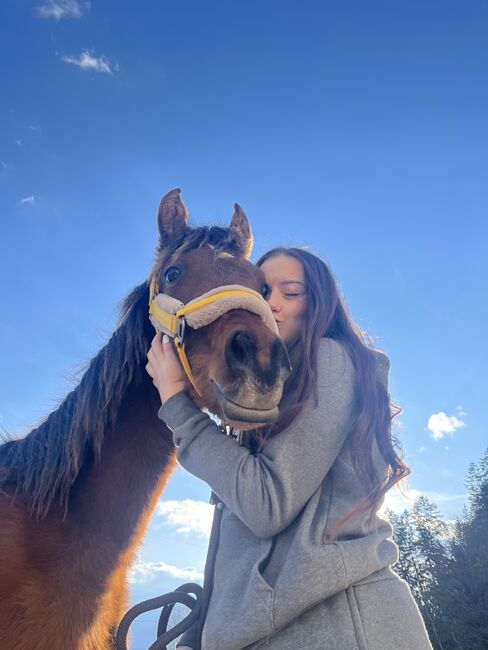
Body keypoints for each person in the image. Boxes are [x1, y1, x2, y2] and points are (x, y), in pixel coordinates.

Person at [146, 247, 433, 650]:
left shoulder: (333, 361)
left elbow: (268, 505)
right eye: (263, 290)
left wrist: (175, 402)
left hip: (343, 629)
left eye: (291, 292)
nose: (272, 304)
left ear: (319, 304)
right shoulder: (279, 398)